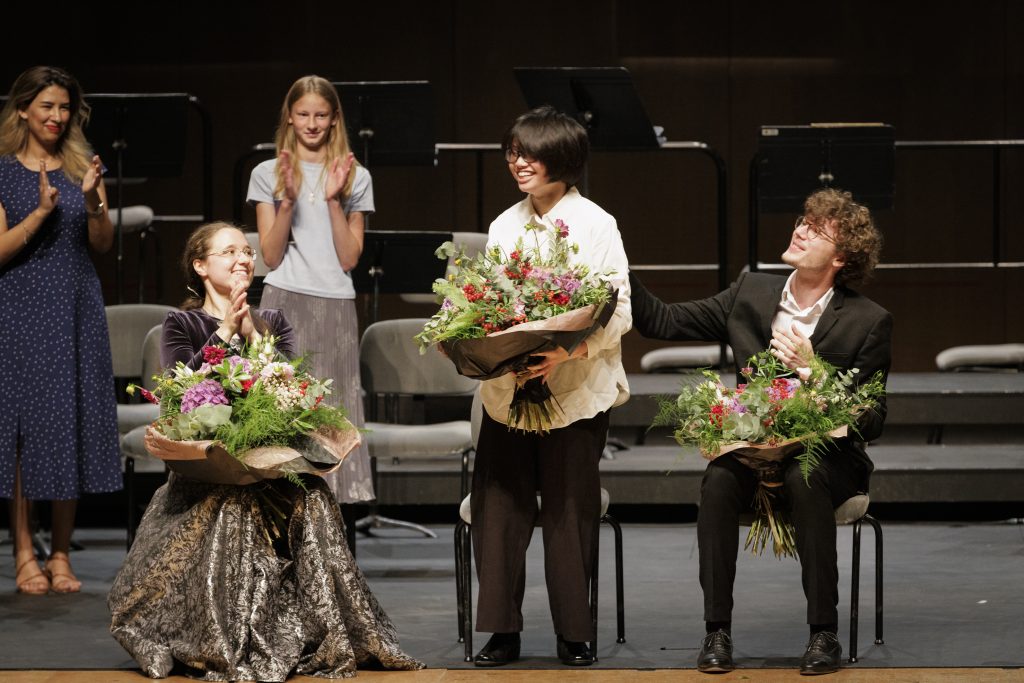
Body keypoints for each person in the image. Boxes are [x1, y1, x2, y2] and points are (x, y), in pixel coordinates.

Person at [108, 221, 422, 680]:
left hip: (273, 466)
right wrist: (224, 333)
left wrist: (254, 336)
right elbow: (177, 395)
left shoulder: (273, 322)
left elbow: (295, 392)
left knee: (314, 500)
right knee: (231, 508)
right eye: (229, 252)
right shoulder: (181, 323)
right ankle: (223, 634)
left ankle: (309, 631)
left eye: (248, 252)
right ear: (200, 265)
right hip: (208, 472)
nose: (243, 259)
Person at [630, 188, 891, 675]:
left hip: (828, 459)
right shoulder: (750, 292)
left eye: (816, 229)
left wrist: (814, 371)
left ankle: (823, 633)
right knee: (718, 479)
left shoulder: (868, 321)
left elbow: (872, 420)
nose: (800, 230)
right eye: (802, 220)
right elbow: (662, 319)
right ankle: (716, 631)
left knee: (803, 477)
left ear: (840, 257)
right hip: (752, 451)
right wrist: (616, 267)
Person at [470, 106, 632, 667]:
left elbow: (618, 310)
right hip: (509, 390)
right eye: (513, 152)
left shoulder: (596, 224)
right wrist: (493, 342)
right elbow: (490, 303)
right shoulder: (503, 226)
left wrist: (568, 350)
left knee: (568, 512)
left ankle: (574, 633)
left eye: (530, 154)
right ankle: (501, 631)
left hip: (575, 389)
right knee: (498, 509)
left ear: (562, 160)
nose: (518, 162)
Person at [0, 66, 121, 594]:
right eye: (47, 106)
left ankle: (63, 553)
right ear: (23, 108)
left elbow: (102, 243)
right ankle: (25, 551)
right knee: (23, 430)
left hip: (75, 304)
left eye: (64, 107)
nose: (56, 116)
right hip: (19, 306)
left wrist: (92, 200)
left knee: (68, 419)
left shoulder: (82, 166)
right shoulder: (3, 171)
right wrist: (40, 214)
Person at [247, 76, 374, 535]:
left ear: (335, 119)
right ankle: (283, 532)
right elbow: (270, 255)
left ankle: (334, 538)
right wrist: (287, 201)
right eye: (303, 114)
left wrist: (335, 199)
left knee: (336, 410)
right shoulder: (268, 172)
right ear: (289, 116)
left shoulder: (356, 175)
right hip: (284, 301)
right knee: (284, 411)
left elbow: (349, 258)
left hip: (335, 305)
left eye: (321, 115)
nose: (312, 123)